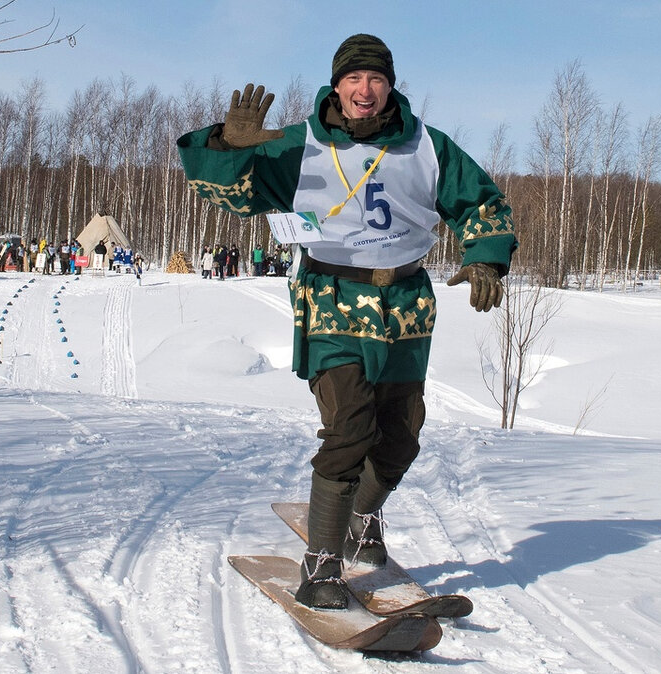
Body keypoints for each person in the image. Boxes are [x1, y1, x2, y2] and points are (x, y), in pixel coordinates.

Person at [178, 34, 515, 610]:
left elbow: (479, 202)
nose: (365, 90)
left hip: (406, 301)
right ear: (337, 85)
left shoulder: (428, 146)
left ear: (390, 85)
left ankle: (362, 515)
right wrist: (227, 146)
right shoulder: (297, 143)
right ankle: (323, 566)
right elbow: (228, 195)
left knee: (402, 433)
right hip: (331, 296)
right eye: (354, 79)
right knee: (350, 427)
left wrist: (486, 254)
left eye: (376, 79)